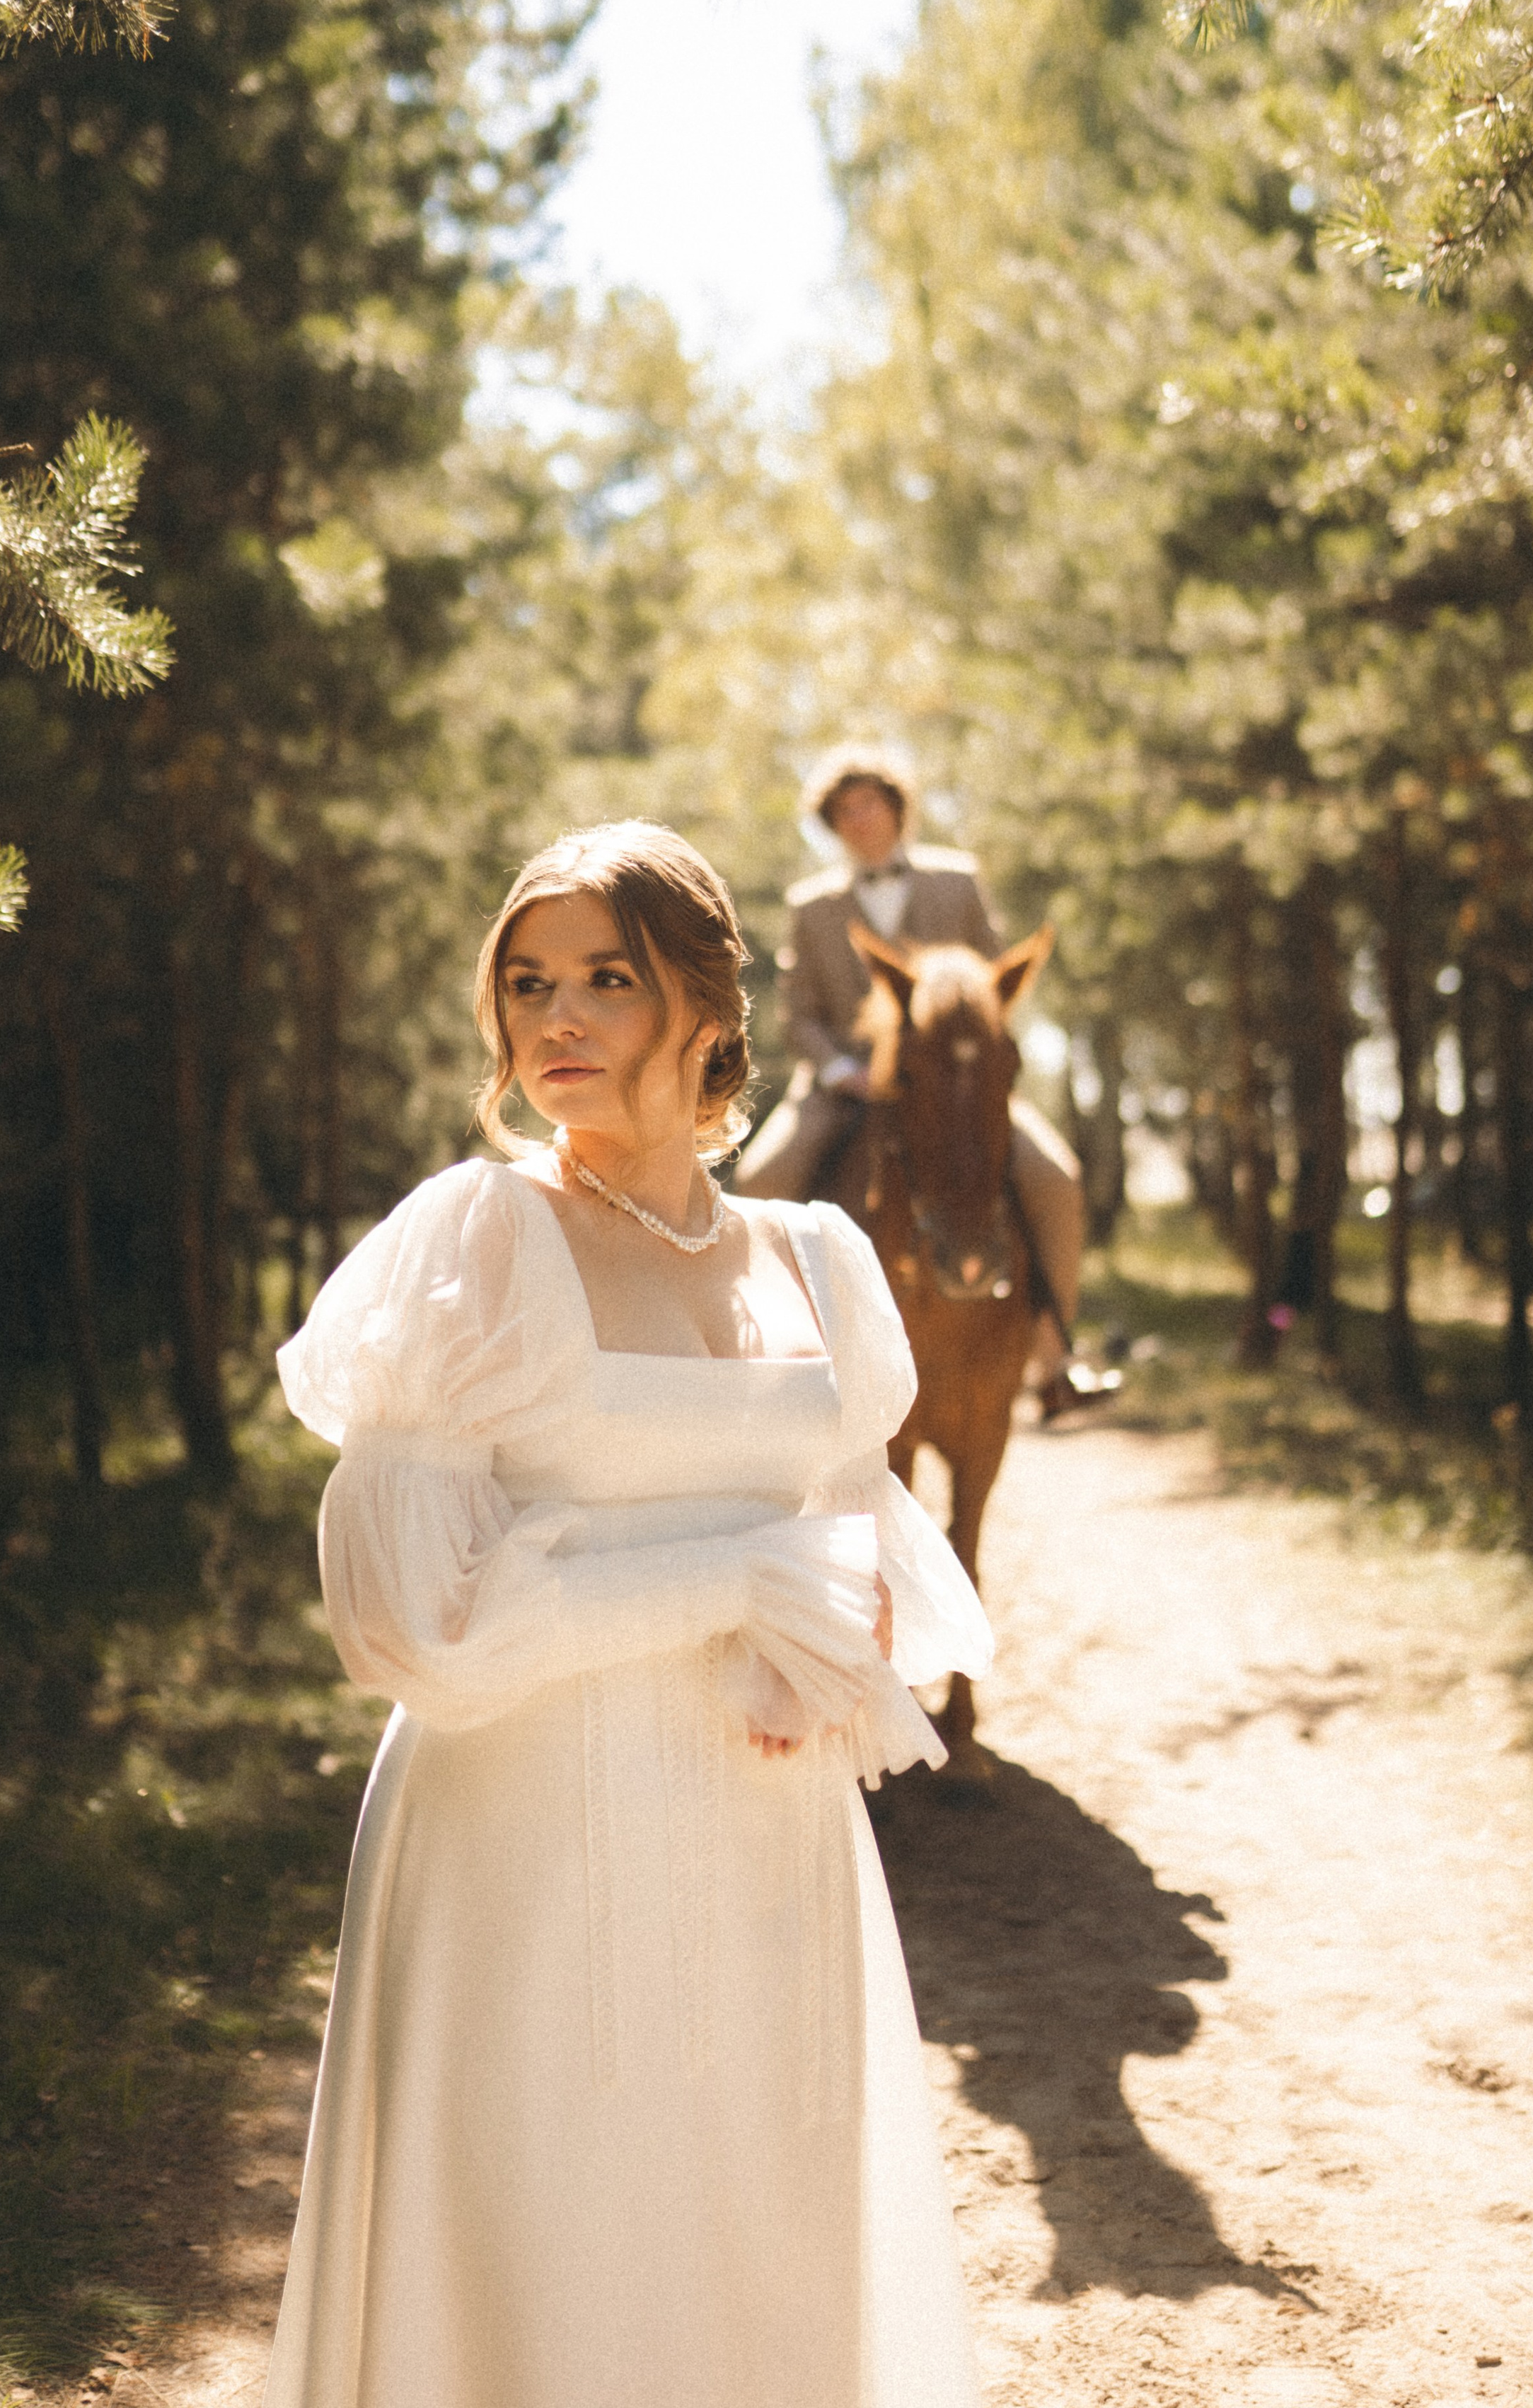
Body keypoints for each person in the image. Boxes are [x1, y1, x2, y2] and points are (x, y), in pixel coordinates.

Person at [265, 820, 993, 2408]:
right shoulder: (476, 1246)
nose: (557, 1019)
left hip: (766, 1851)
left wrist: (825, 1649)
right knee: (546, 2250)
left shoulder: (818, 1261)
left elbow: (860, 1550)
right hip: (526, 1857)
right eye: (528, 984)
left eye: (607, 977)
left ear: (700, 1010)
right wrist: (728, 1585)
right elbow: (424, 1639)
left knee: (760, 2244)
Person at [733, 745, 1088, 1391]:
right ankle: (764, 1365)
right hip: (849, 1088)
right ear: (833, 825)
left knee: (1058, 1178)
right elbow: (798, 1014)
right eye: (843, 811)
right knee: (759, 1180)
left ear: (898, 809)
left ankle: (1053, 1355)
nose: (858, 818)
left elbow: (994, 984)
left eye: (869, 803)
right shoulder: (812, 906)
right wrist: (843, 1070)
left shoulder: (958, 881)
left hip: (957, 1085)